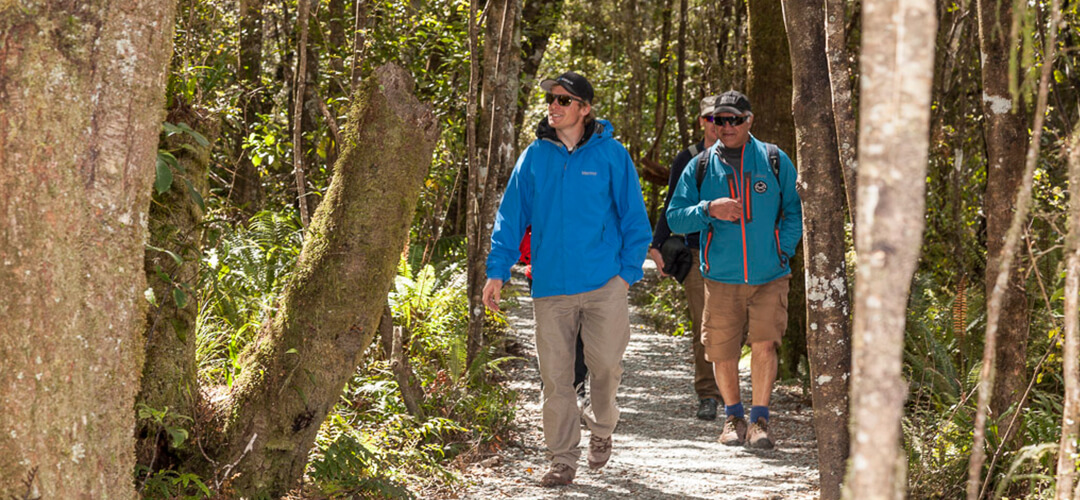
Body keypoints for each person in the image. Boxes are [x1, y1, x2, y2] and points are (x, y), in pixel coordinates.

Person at [482, 71, 651, 486]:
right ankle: (562, 458)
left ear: (584, 108)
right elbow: (510, 217)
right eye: (551, 100)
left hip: (604, 284)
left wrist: (626, 275)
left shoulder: (612, 155)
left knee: (606, 368)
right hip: (551, 286)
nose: (553, 106)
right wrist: (497, 271)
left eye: (563, 100)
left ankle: (603, 427)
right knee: (556, 377)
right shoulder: (535, 156)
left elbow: (634, 219)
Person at [666, 90, 802, 449]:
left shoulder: (774, 159)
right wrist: (709, 208)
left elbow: (793, 210)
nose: (726, 127)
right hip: (721, 276)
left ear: (749, 121)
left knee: (765, 345)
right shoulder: (700, 165)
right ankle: (733, 417)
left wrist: (782, 250)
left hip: (770, 275)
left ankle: (759, 421)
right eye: (719, 120)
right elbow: (675, 215)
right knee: (722, 352)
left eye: (734, 120)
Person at [648, 96, 724, 421]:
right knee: (703, 325)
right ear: (701, 122)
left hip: (740, 255)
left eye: (722, 119)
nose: (716, 125)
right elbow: (671, 204)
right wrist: (656, 244)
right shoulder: (689, 159)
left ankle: (732, 392)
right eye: (710, 119)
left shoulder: (748, 158)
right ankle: (708, 394)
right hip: (697, 252)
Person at [520, 227, 590, 406]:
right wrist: (535, 256)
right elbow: (518, 223)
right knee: (552, 334)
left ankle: (577, 388)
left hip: (585, 272)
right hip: (544, 273)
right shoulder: (538, 197)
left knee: (582, 334)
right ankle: (550, 390)